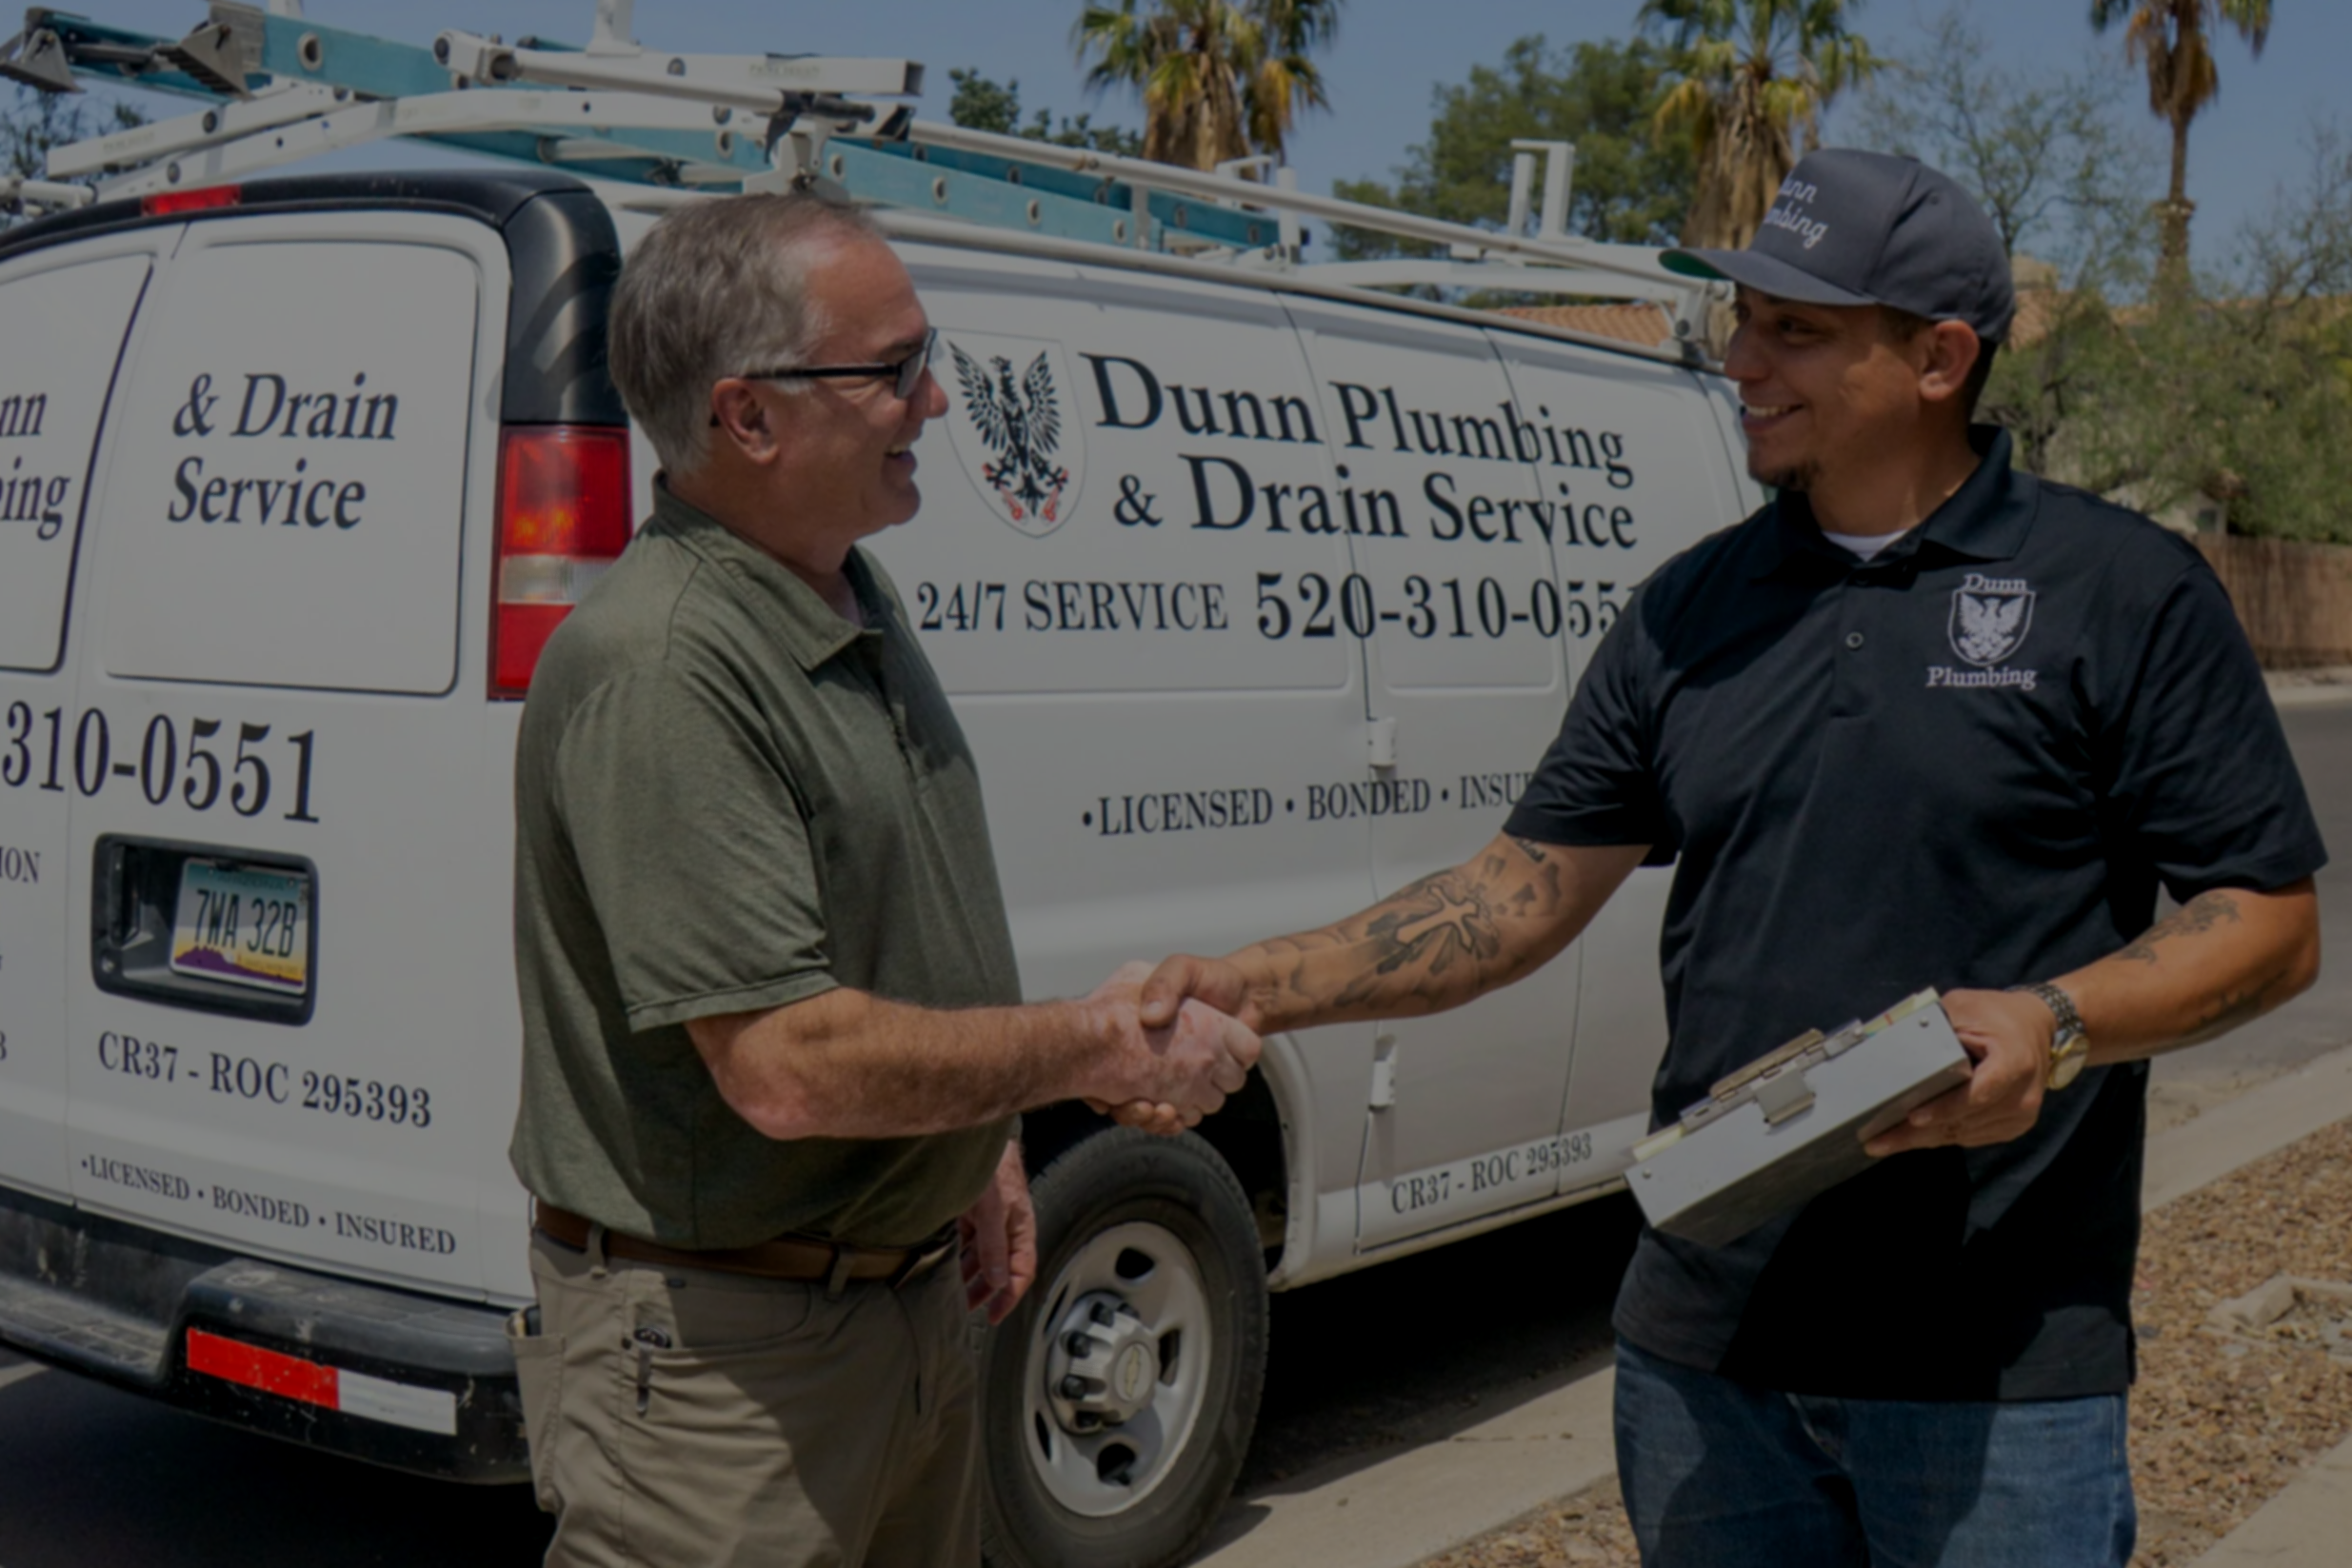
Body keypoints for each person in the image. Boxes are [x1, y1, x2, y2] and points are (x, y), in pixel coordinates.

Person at [1135, 148, 2324, 1566]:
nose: (1741, 360)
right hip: (1705, 1356)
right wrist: (1251, 985)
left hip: (1995, 1367)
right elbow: (1511, 898)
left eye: (1794, 330)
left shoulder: (2119, 591)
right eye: (1740, 319)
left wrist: (2053, 1023)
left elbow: (2268, 923)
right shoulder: (1689, 608)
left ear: (1939, 358)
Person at [504, 192, 1258, 1568]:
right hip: (729, 1377)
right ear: (748, 416)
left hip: (901, 1316)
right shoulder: (667, 663)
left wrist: (977, 1147)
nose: (939, 401)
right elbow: (787, 1067)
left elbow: (894, 927)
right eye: (896, 368)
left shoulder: (838, 585)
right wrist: (1091, 1046)